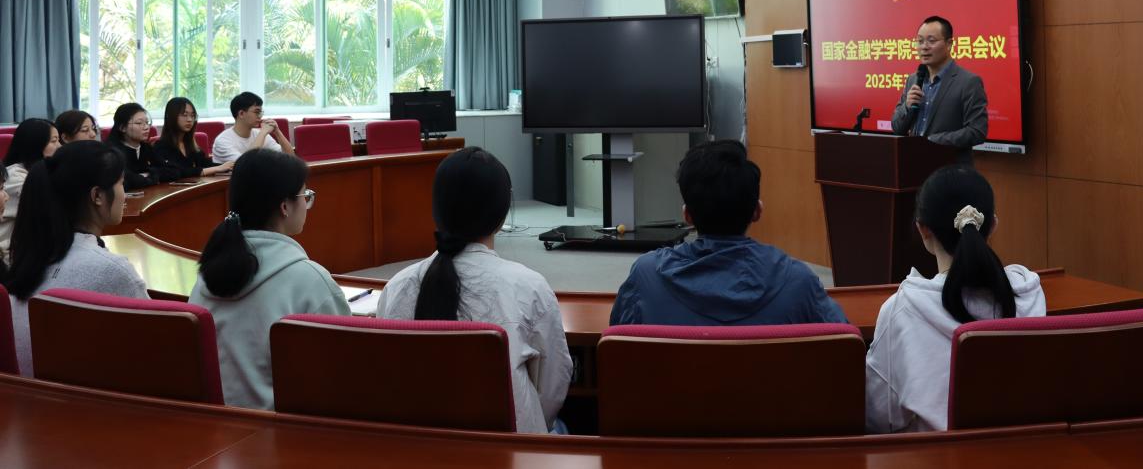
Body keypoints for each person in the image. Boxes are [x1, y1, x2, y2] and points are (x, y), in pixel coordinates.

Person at [380, 148, 571, 433]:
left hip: (418, 447)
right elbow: (553, 385)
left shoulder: (398, 286)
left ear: (436, 210)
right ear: (501, 217)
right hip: (511, 448)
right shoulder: (529, 287)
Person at [865, 164, 1045, 433]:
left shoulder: (901, 309)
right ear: (992, 225)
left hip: (938, 453)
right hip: (1025, 448)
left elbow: (880, 418)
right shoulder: (1029, 293)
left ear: (922, 229)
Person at [610, 140, 847, 327]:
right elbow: (844, 344)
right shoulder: (798, 281)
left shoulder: (646, 276)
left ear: (687, 216)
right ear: (757, 211)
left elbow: (618, 348)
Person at [189, 149, 349, 409]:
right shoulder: (310, 280)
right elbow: (344, 370)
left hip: (215, 424)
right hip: (284, 428)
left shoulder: (206, 275)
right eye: (305, 196)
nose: (307, 204)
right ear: (285, 206)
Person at [2, 140, 149, 376]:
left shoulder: (29, 258)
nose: (125, 194)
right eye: (121, 183)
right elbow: (157, 349)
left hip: (27, 394)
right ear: (97, 195)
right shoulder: (113, 271)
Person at [890, 16, 989, 161]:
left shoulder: (968, 82)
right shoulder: (913, 80)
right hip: (914, 168)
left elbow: (977, 132)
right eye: (920, 41)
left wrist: (932, 141)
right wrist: (907, 106)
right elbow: (897, 128)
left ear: (949, 44)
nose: (924, 47)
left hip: (950, 169)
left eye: (931, 41)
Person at [2, 118, 61, 258]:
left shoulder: (41, 172)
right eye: (53, 141)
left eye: (59, 140)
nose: (60, 146)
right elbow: (53, 210)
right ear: (36, 145)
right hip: (7, 253)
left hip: (26, 249)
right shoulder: (16, 178)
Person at [153, 97, 233, 178]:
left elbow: (204, 164)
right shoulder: (161, 147)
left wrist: (227, 166)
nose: (190, 120)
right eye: (184, 115)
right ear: (171, 117)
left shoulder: (190, 144)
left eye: (192, 115)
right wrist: (217, 168)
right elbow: (179, 171)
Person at [210, 92, 295, 165]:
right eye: (257, 112)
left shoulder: (259, 134)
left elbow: (290, 158)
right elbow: (247, 164)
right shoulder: (223, 141)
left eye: (261, 113)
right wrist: (263, 133)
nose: (260, 116)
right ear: (241, 114)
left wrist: (277, 132)